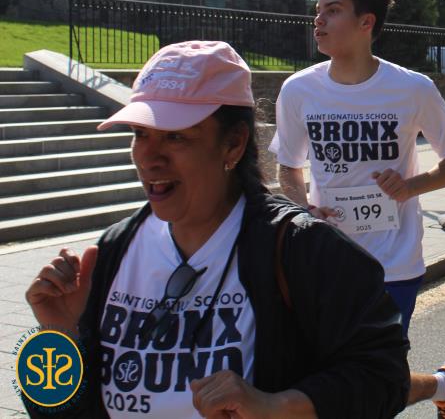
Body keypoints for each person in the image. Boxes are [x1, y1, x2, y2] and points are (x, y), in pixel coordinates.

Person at [24, 41, 410, 418]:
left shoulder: (303, 250)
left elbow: (383, 376)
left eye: (175, 136)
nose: (149, 157)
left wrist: (277, 407)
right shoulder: (115, 249)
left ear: (234, 144)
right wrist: (60, 338)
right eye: (140, 133)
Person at [270, 0, 445, 418]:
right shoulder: (298, 90)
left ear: (366, 22)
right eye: (318, 10)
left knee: (371, 383)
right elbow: (288, 166)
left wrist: (411, 186)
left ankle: (442, 384)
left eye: (333, 10)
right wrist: (304, 210)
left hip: (392, 263)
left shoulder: (412, 89)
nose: (319, 20)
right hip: (324, 261)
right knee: (335, 380)